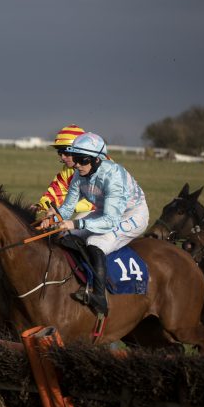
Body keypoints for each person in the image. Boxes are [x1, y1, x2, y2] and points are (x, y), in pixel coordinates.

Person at [37, 132, 149, 316]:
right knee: (65, 237)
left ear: (97, 160)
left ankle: (100, 298)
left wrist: (75, 224)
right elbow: (67, 209)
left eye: (82, 160)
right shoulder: (79, 175)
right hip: (105, 211)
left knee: (96, 243)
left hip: (132, 215)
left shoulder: (113, 176)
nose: (77, 164)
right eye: (76, 158)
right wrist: (54, 216)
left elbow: (111, 220)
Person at [29, 123, 94, 221]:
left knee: (77, 226)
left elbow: (96, 202)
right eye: (60, 152)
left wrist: (64, 209)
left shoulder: (99, 168)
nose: (63, 157)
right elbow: (56, 193)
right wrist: (40, 206)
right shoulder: (68, 170)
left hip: (118, 213)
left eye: (66, 152)